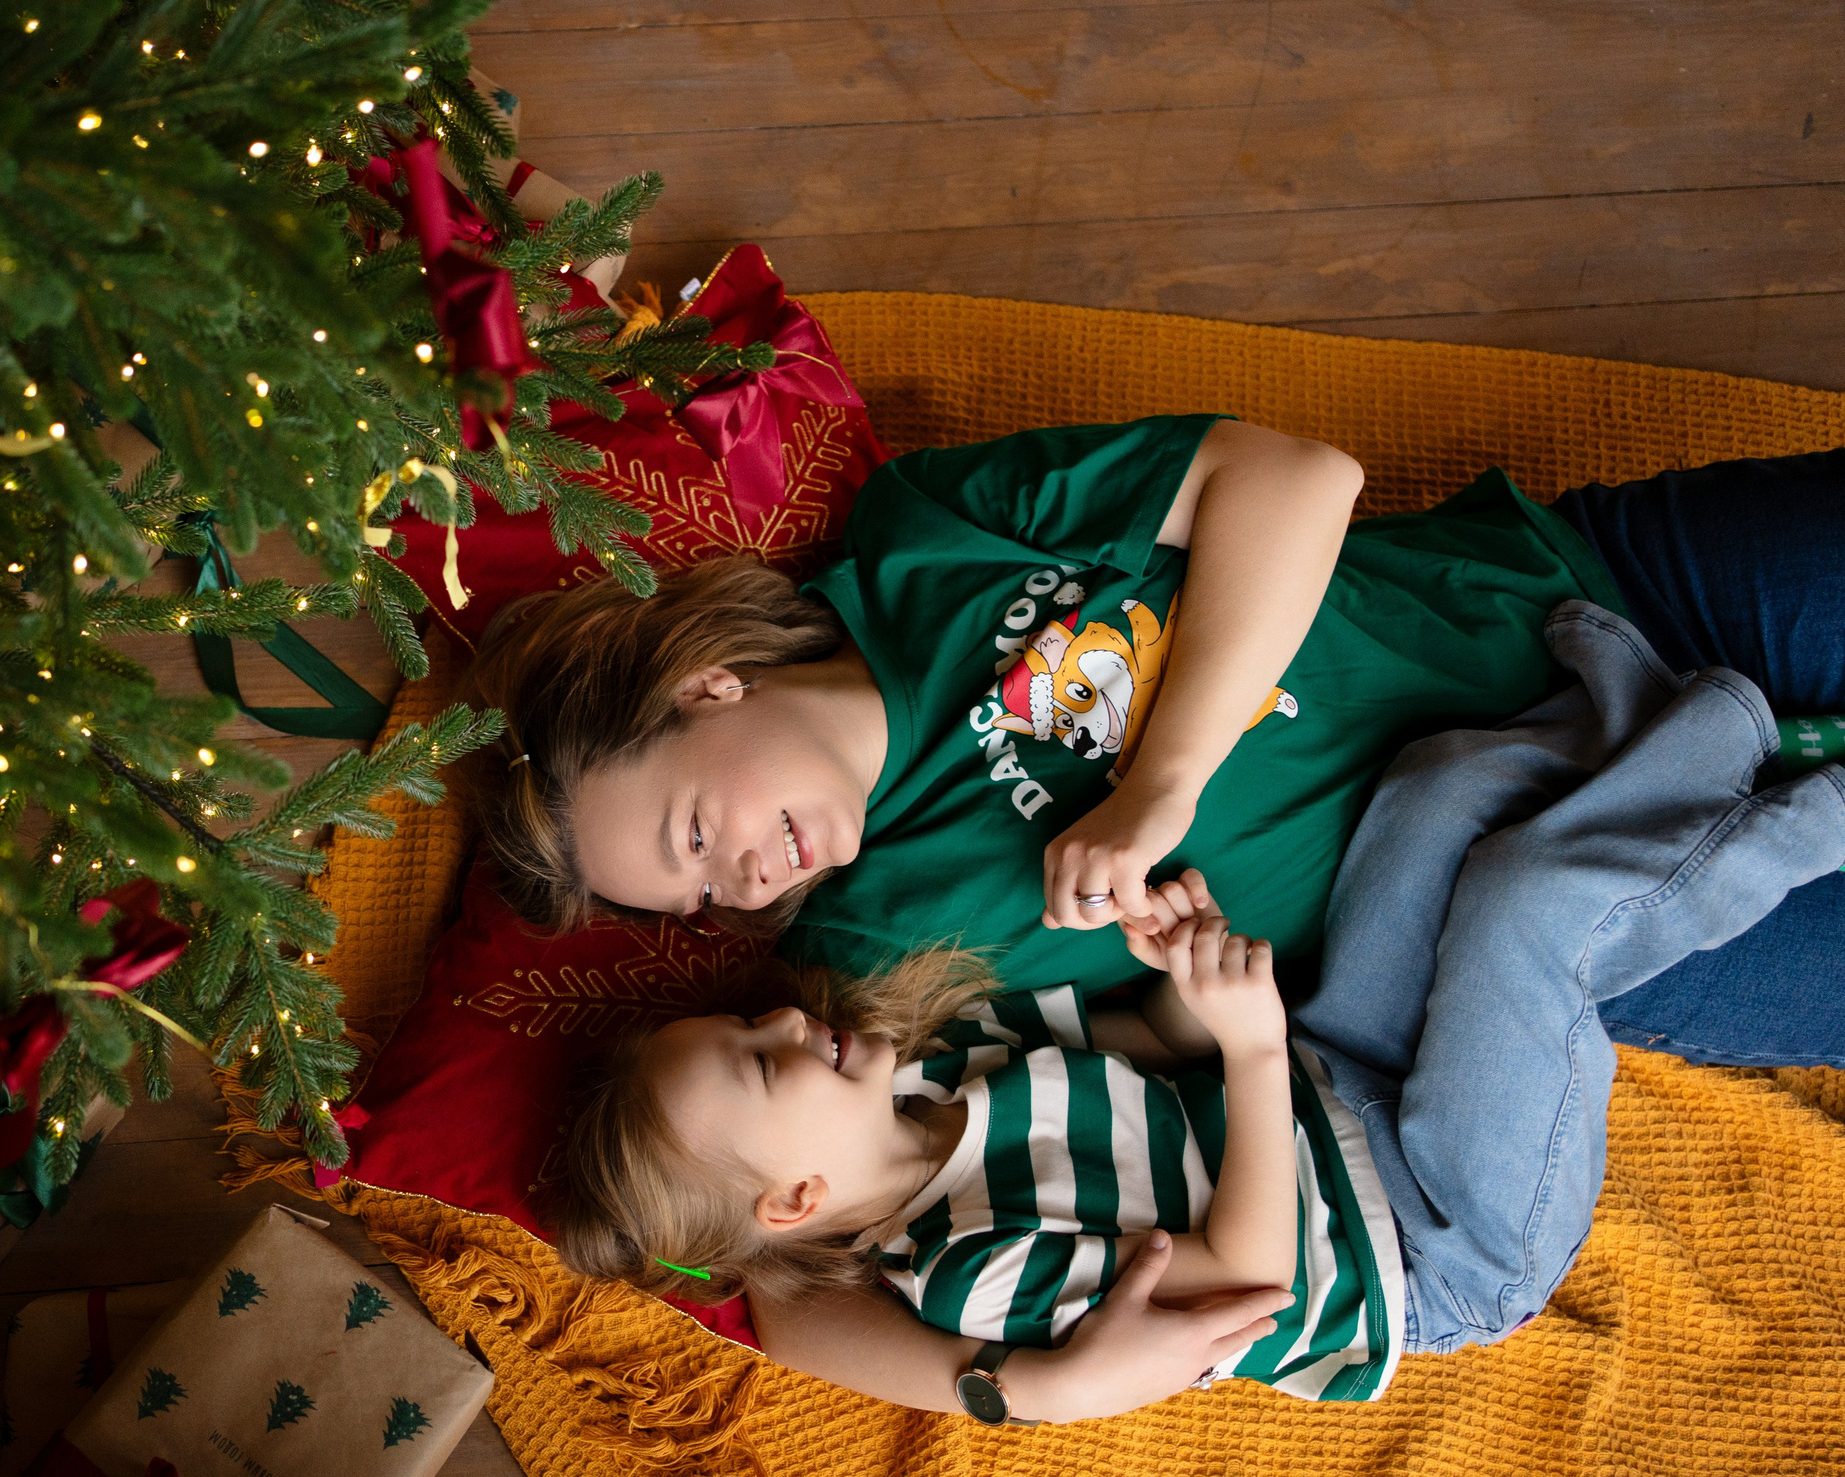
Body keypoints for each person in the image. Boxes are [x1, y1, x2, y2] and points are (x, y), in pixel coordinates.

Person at [547, 610, 1845, 1421]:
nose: (784, 1024)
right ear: (794, 1203)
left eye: (749, 1028)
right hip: (1441, 1236)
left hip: (1337, 1085)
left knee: (1432, 799)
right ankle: (1762, 794)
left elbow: (1147, 1048)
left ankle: (1619, 737)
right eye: (768, 1068)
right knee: (1520, 915)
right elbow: (1248, 1276)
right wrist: (1254, 1041)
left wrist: (1183, 967)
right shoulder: (968, 1263)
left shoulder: (949, 1072)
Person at [467, 422, 1845, 1071]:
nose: (746, 886)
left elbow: (1299, 482)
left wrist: (1158, 787)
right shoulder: (865, 955)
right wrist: (1196, 986)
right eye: (704, 897)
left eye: (696, 837)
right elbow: (1133, 1060)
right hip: (1573, 905)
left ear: (706, 689)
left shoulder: (928, 539)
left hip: (1593, 597)